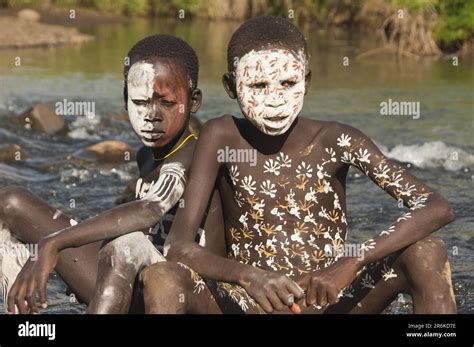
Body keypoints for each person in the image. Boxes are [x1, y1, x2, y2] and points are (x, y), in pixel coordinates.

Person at [141, 16, 457, 314]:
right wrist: (249, 276)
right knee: (163, 276)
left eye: (289, 83)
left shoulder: (336, 139)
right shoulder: (222, 136)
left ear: (306, 80)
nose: (275, 100)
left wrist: (349, 264)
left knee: (427, 251)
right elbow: (178, 247)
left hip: (333, 300)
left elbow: (435, 206)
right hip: (250, 303)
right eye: (259, 86)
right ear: (230, 86)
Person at [3, 34, 225, 314]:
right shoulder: (146, 155)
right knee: (11, 202)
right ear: (125, 101)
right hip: (137, 282)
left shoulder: (195, 153)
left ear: (193, 102)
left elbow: (149, 209)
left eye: (166, 104)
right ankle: (20, 309)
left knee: (125, 245)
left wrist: (56, 241)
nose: (152, 115)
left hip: (188, 293)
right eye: (141, 102)